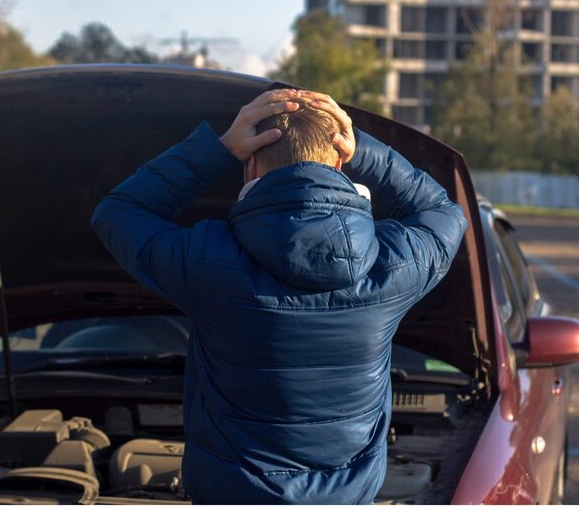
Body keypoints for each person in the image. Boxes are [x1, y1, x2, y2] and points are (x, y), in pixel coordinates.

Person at [91, 89, 467, 504]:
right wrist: (365, 152)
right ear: (340, 163)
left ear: (250, 164)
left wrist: (219, 150)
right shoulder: (393, 265)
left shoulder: (205, 261)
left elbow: (118, 212)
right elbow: (445, 212)